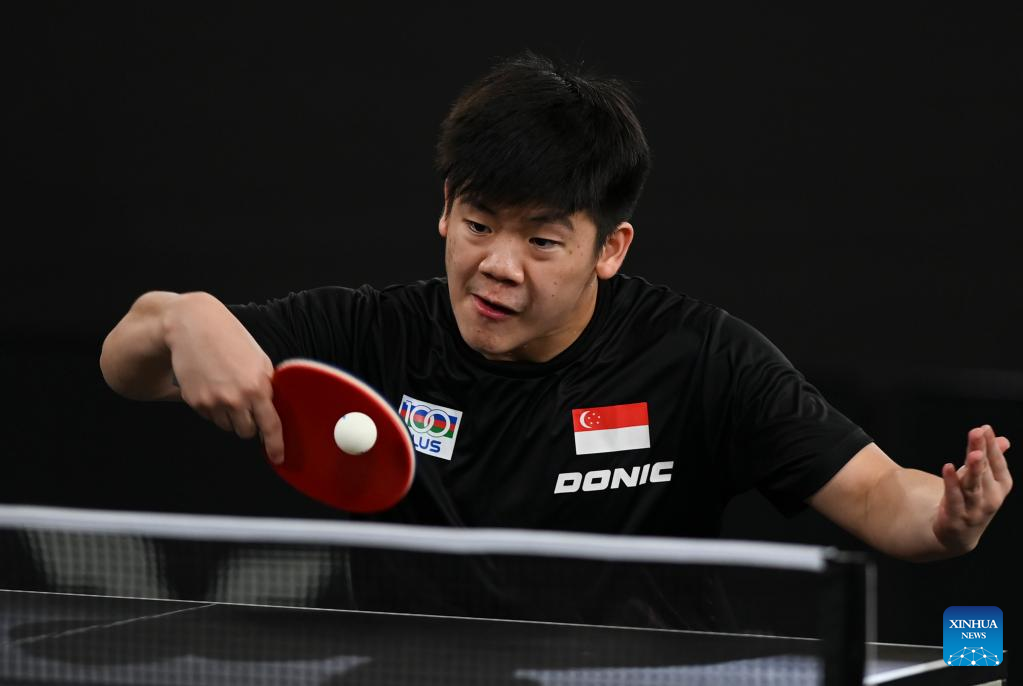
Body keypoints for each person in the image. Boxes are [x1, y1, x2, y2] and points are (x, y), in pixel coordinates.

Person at [99, 50, 1011, 628]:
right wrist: (181, 316)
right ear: (445, 210)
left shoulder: (698, 358)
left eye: (541, 241)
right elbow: (126, 366)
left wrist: (945, 516)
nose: (496, 266)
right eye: (477, 224)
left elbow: (881, 497)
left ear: (609, 249)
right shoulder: (374, 332)